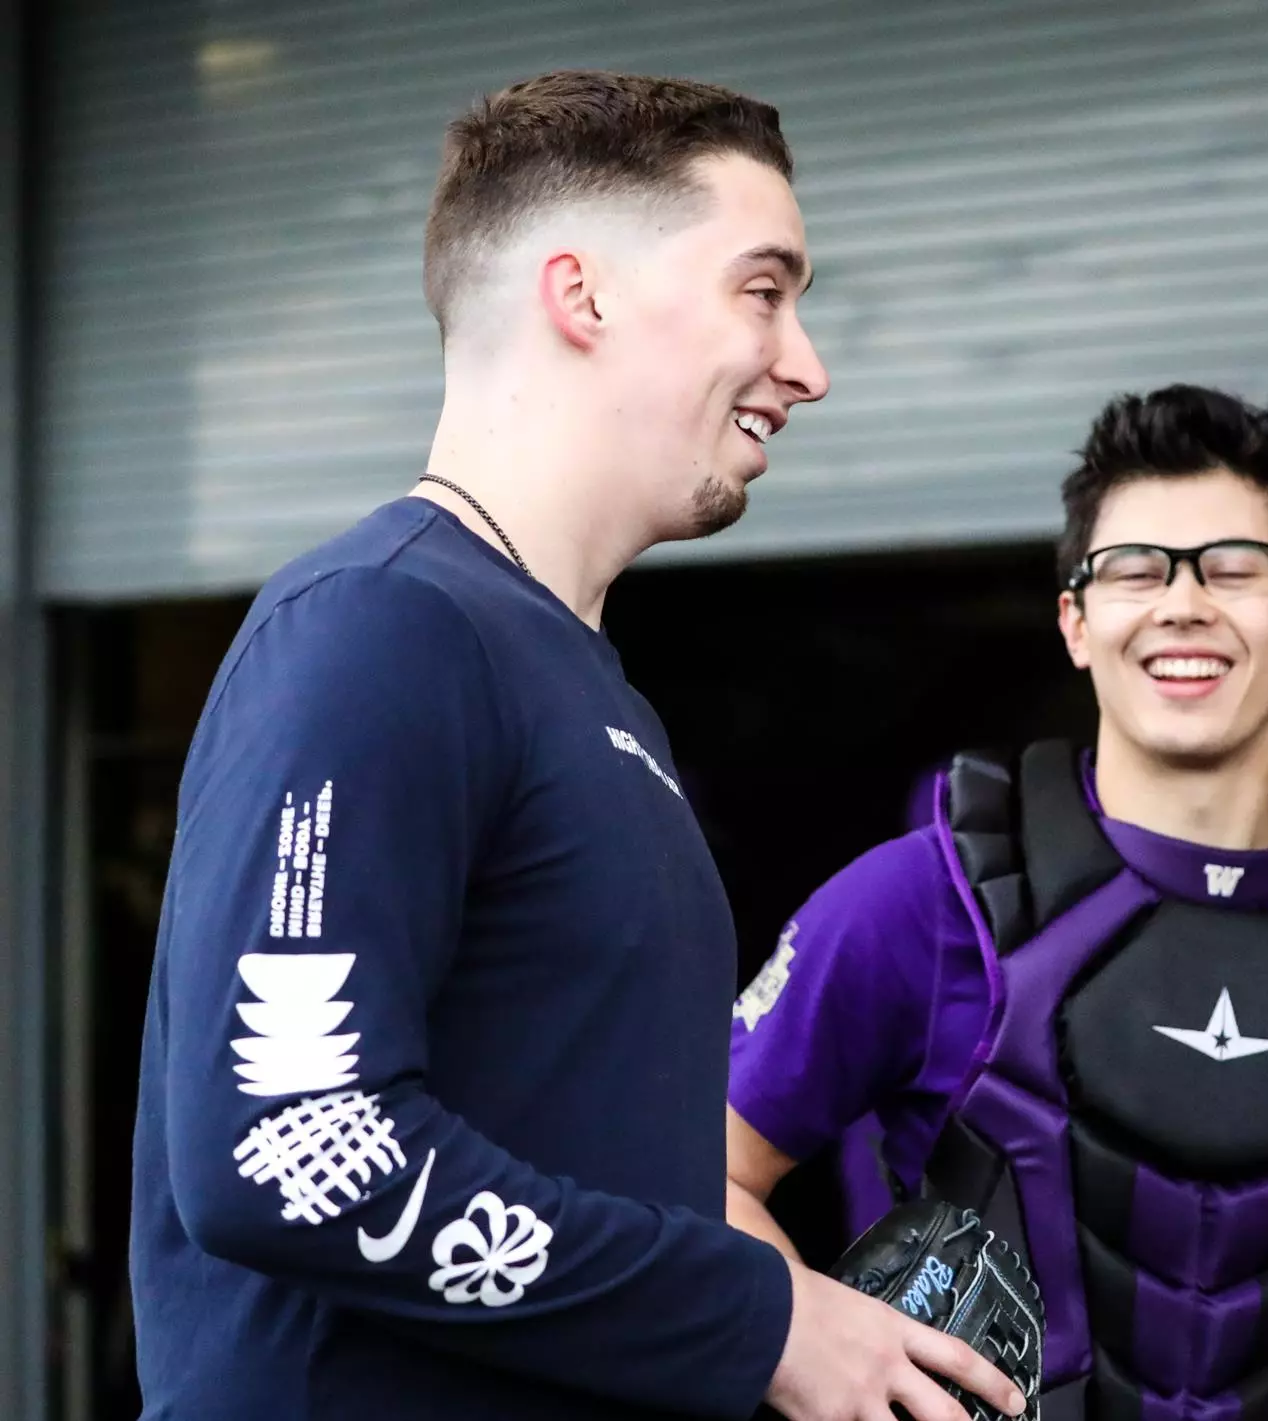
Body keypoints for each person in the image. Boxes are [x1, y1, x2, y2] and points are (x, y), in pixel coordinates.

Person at [128, 69, 1022, 1421]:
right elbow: (287, 1146)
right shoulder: (380, 627)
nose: (808, 367)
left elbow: (582, 1174)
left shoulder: (585, 691)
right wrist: (756, 1318)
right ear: (582, 294)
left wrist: (808, 1325)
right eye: (763, 290)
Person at [724, 384, 1268, 1420]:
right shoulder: (926, 899)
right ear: (1075, 620)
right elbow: (689, 1173)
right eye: (1135, 569)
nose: (1182, 603)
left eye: (1235, 568)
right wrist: (814, 1338)